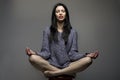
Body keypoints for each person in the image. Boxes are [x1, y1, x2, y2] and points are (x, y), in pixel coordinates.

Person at [25, 2, 99, 79]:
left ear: (66, 14)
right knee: (32, 58)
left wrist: (86, 55)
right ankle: (69, 73)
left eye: (63, 11)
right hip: (51, 64)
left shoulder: (73, 32)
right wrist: (35, 53)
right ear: (55, 15)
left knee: (88, 60)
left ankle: (55, 73)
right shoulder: (47, 31)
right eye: (57, 11)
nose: (60, 13)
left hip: (68, 65)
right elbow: (46, 53)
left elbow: (73, 54)